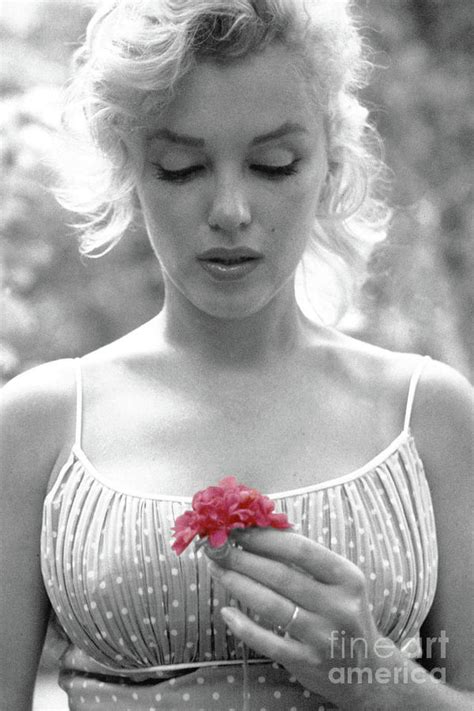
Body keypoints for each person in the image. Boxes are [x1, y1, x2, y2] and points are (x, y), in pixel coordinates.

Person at [1, 1, 472, 709]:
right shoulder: (39, 425)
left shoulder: (427, 415)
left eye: (273, 164)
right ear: (131, 170)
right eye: (182, 168)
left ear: (331, 163)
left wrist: (376, 677)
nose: (230, 209)